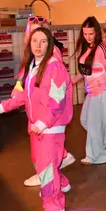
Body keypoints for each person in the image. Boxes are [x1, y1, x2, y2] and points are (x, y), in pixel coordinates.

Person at [0, 28, 73, 211]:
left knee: (46, 168)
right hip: (36, 126)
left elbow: (57, 100)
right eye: (35, 40)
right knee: (40, 163)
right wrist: (3, 107)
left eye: (43, 41)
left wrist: (44, 123)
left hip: (50, 127)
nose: (38, 45)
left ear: (49, 44)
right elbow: (21, 95)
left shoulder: (55, 67)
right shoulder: (30, 66)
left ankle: (54, 207)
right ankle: (62, 183)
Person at [18, 17, 75, 186]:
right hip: (38, 114)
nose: (36, 41)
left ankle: (49, 175)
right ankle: (56, 176)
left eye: (40, 36)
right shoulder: (32, 56)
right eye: (31, 33)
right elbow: (25, 80)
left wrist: (45, 120)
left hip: (48, 118)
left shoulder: (51, 58)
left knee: (46, 158)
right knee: (41, 154)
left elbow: (56, 94)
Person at [72, 17, 106, 165]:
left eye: (91, 33)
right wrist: (70, 82)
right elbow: (84, 71)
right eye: (85, 34)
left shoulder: (103, 48)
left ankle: (96, 156)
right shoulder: (87, 48)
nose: (88, 37)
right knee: (86, 121)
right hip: (91, 91)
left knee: (93, 124)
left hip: (101, 90)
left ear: (97, 32)